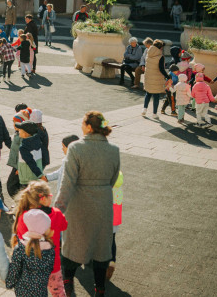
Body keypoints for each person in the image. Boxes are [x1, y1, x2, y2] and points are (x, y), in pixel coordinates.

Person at [55, 111, 120, 297]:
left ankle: (68, 283)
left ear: (89, 127)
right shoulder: (113, 150)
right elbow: (113, 178)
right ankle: (99, 289)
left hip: (79, 204)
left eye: (83, 123)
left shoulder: (76, 148)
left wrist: (57, 210)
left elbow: (67, 183)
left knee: (73, 246)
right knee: (101, 249)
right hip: (103, 204)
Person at [13, 181, 68, 297]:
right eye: (50, 196)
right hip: (53, 265)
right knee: (58, 293)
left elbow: (21, 236)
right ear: (43, 198)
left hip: (32, 267)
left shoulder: (23, 217)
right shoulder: (56, 214)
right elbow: (64, 226)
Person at [5, 208, 57, 297]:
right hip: (41, 291)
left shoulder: (20, 248)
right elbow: (50, 269)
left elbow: (14, 270)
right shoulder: (50, 249)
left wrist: (9, 283)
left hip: (22, 291)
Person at [142, 40, 169, 119]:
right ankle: (154, 114)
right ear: (160, 47)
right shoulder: (160, 57)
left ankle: (144, 109)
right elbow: (161, 69)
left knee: (148, 93)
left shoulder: (148, 53)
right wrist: (168, 76)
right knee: (156, 96)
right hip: (156, 78)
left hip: (148, 76)